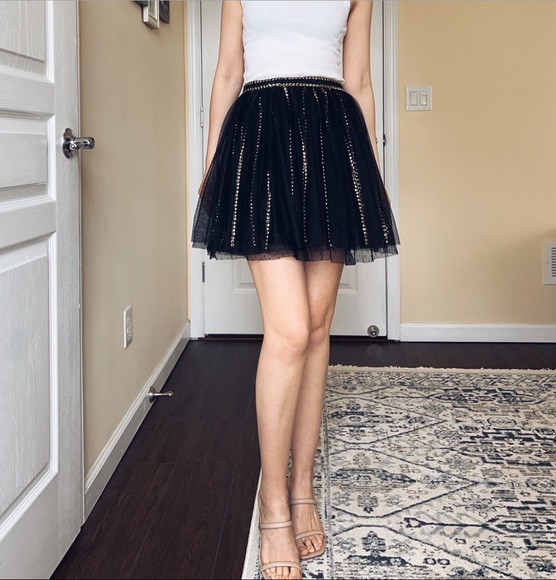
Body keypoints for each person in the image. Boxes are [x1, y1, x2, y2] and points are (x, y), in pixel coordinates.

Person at [191, 1, 399, 578]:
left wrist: (371, 171)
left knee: (316, 326)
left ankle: (302, 486)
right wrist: (212, 164)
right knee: (287, 330)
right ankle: (274, 501)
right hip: (260, 139)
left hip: (333, 140)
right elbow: (228, 71)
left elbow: (359, 79)